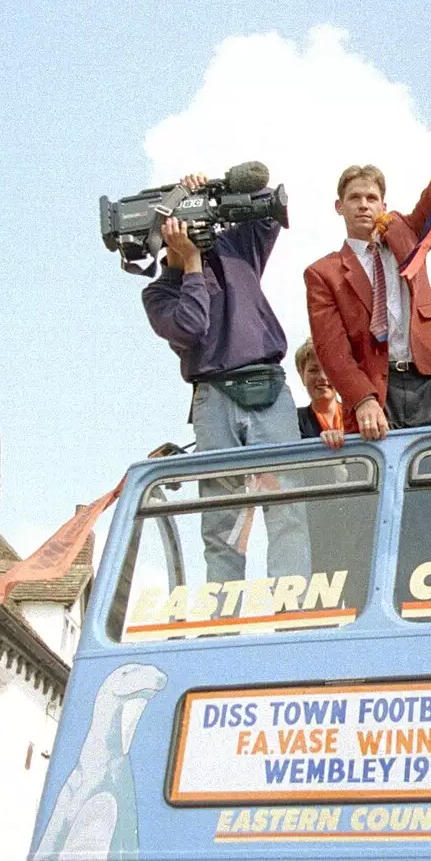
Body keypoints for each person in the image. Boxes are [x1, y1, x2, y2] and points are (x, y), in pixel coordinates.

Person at [142, 175, 309, 582]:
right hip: (213, 396)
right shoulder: (159, 293)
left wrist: (213, 186)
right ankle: (223, 618)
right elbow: (192, 327)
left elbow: (269, 202)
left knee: (287, 504)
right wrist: (192, 262)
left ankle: (293, 613)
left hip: (267, 386)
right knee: (222, 522)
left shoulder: (235, 246)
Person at [304, 81, 431, 441]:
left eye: (371, 197)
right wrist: (362, 399)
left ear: (383, 204)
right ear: (339, 206)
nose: (364, 204)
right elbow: (331, 348)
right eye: (354, 198)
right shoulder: (323, 273)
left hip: (427, 379)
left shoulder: (407, 235)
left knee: (430, 487)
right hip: (376, 388)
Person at [293, 338, 344, 449]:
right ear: (302, 375)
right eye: (313, 370)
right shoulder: (293, 421)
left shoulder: (357, 416)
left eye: (329, 369)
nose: (322, 377)